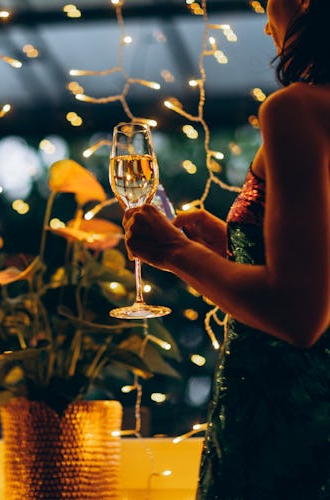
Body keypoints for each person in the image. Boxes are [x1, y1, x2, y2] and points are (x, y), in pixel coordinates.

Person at [123, 0, 329, 498]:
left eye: (271, 4)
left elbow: (300, 314)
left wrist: (173, 252)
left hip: (287, 422)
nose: (265, 22)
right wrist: (227, 247)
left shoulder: (296, 109)